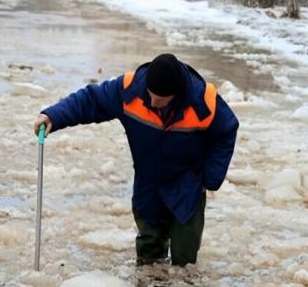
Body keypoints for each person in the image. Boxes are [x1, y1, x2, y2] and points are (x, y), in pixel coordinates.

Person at [33, 53, 239, 266]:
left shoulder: (203, 101)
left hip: (187, 184)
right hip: (148, 182)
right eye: (150, 95)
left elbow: (226, 131)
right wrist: (53, 116)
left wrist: (210, 178)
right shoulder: (131, 89)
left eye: (160, 99)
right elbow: (91, 100)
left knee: (184, 258)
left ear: (176, 94)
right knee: (148, 250)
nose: (151, 102)